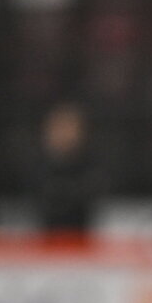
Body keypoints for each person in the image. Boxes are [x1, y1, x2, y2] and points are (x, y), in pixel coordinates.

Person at [34, 101, 103, 238]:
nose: (64, 133)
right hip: (45, 240)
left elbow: (91, 194)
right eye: (59, 127)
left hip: (82, 240)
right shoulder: (38, 165)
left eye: (70, 127)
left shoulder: (92, 165)